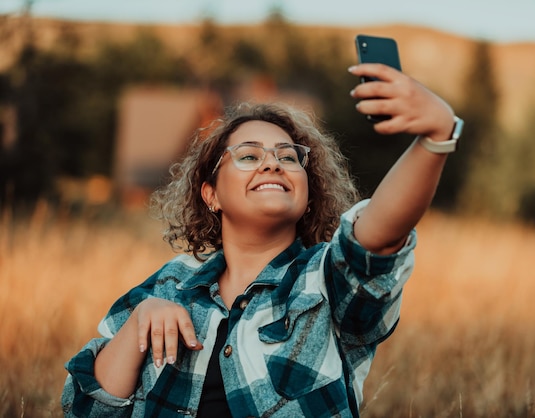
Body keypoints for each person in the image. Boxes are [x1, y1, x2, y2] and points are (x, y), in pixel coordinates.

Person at [61, 62, 463, 417]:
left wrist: (434, 140)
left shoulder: (325, 279)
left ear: (309, 194)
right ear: (211, 194)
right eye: (249, 156)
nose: (273, 161)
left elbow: (376, 239)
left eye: (288, 157)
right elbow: (86, 409)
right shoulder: (169, 285)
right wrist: (138, 324)